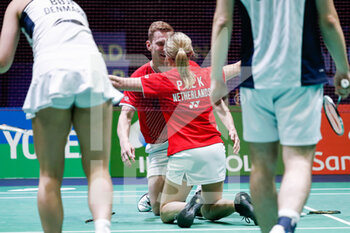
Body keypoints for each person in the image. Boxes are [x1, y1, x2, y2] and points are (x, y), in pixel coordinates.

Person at [210, 1, 350, 233]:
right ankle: (285, 222)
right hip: (302, 78)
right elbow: (329, 20)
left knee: (261, 167)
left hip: (255, 79)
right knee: (298, 161)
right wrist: (343, 69)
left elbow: (223, 21)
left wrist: (216, 79)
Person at [110, 32, 256, 228]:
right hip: (215, 148)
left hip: (185, 152)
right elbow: (239, 67)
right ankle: (238, 204)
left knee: (165, 209)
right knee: (211, 208)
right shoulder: (208, 74)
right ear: (192, 53)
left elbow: (120, 83)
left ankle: (189, 204)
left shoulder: (162, 80)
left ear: (168, 58)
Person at [0, 0, 123, 232]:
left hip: (51, 70)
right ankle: (103, 227)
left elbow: (3, 62)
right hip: (92, 69)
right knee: (98, 168)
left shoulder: (17, 3)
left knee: (50, 176)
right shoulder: (72, 3)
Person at [117, 21, 200, 215]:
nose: (165, 48)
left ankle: (198, 188)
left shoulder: (188, 69)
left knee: (169, 205)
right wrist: (124, 141)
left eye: (169, 43)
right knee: (156, 209)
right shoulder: (140, 76)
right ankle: (192, 198)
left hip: (186, 142)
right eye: (160, 43)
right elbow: (125, 115)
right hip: (158, 147)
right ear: (149, 46)